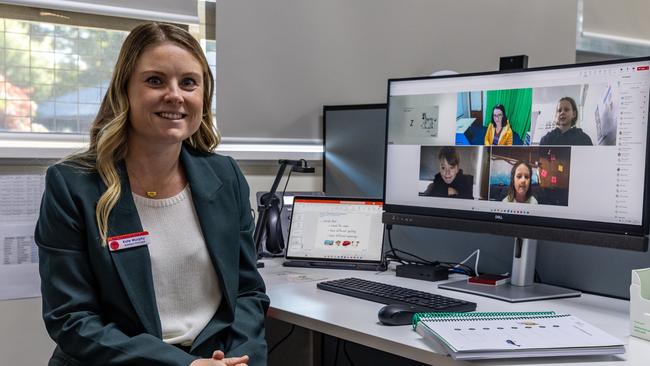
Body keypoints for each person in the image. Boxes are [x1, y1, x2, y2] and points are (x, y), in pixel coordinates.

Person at [35, 23, 268, 366]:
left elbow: (247, 291)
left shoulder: (225, 175)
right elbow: (71, 318)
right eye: (155, 81)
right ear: (124, 91)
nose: (175, 95)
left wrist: (240, 359)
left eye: (189, 82)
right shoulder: (72, 185)